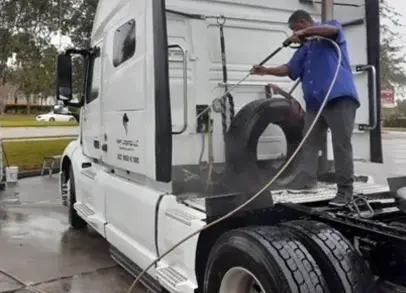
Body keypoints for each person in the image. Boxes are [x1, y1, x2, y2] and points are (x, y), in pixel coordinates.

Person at [251, 9, 360, 207]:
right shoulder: (304, 49)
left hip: (338, 98)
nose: (294, 34)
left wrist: (304, 33)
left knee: (341, 145)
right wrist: (265, 70)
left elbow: (331, 30)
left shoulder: (329, 30)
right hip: (315, 104)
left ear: (303, 22)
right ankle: (308, 181)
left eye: (295, 29)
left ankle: (345, 192)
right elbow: (289, 69)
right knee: (308, 143)